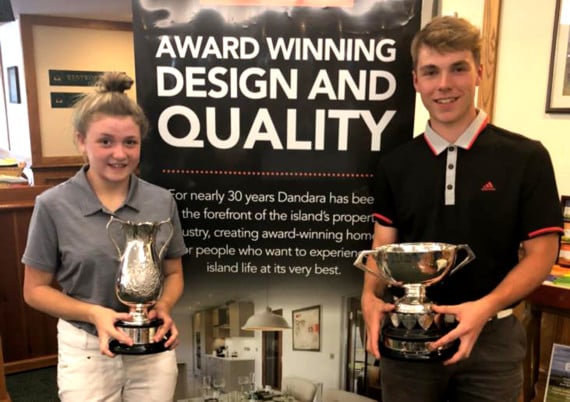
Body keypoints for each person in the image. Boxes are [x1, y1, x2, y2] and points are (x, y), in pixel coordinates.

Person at [361, 16, 564, 402]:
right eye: (431, 71)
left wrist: (484, 308)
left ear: (479, 73)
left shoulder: (526, 157)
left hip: (493, 345)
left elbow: (542, 255)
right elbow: (382, 248)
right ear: (416, 80)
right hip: (410, 338)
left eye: (458, 68)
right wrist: (369, 296)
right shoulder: (395, 165)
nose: (444, 84)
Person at [22, 72, 187, 402]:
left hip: (151, 349)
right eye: (106, 141)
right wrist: (95, 314)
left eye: (130, 142)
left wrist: (164, 306)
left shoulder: (161, 201)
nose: (120, 154)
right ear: (81, 141)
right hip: (86, 351)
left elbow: (174, 274)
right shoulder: (53, 205)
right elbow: (34, 291)